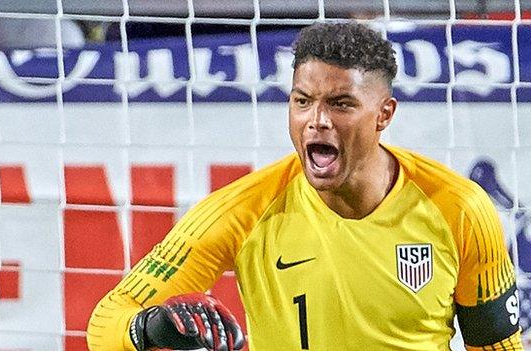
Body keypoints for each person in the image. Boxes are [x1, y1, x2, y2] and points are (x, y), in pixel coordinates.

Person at [86, 22, 522, 350]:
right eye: (302, 101)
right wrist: (146, 330)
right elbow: (105, 320)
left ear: (384, 114)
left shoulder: (459, 209)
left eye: (341, 104)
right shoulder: (244, 211)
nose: (317, 120)